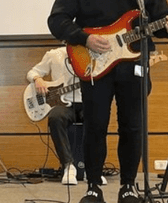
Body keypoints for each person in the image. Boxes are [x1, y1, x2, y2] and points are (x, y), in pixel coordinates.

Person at [48, 0, 168, 203]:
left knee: (133, 127)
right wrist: (85, 38)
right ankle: (94, 187)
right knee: (95, 125)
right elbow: (56, 21)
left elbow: (159, 22)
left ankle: (129, 186)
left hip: (134, 67)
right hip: (96, 66)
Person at [27, 47, 108, 186]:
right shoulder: (54, 54)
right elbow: (32, 72)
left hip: (86, 103)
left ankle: (94, 169)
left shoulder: (95, 54)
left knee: (98, 116)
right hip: (64, 105)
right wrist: (37, 79)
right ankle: (68, 166)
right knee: (55, 117)